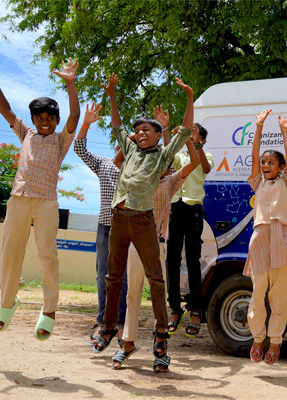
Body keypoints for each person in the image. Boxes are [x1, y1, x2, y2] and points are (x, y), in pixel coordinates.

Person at [92, 73, 193, 374]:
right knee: (113, 277)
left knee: (156, 280)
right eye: (137, 130)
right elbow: (116, 124)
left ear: (158, 135)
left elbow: (186, 130)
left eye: (146, 129)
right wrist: (112, 93)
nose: (139, 133)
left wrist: (189, 97)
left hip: (144, 222)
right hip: (118, 220)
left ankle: (161, 336)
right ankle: (109, 327)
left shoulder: (162, 157)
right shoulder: (131, 148)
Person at [0, 54, 80, 340]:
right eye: (40, 118)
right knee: (10, 252)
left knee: (47, 255)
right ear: (34, 119)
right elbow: (5, 110)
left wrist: (71, 84)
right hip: (19, 198)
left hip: (46, 202)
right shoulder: (25, 134)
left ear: (56, 120)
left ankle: (49, 309)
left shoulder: (61, 140)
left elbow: (74, 117)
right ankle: (7, 301)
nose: (45, 122)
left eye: (50, 117)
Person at [112, 123, 200, 370]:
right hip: (133, 245)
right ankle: (127, 343)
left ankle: (160, 348)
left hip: (156, 245)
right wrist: (135, 135)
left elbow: (193, 164)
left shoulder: (169, 183)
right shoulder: (135, 174)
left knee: (157, 297)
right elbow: (118, 159)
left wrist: (188, 139)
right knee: (132, 295)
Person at [244, 110, 287, 365]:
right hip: (260, 237)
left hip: (281, 238)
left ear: (281, 168)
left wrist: (284, 131)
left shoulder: (286, 183)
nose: (265, 166)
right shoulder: (259, 183)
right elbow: (254, 153)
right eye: (264, 163)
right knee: (258, 294)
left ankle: (275, 341)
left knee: (280, 296)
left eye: (270, 163)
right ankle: (258, 337)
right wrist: (259, 126)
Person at [73, 102, 128, 346]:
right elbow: (79, 148)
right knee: (102, 276)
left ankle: (122, 322)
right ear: (117, 146)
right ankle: (102, 321)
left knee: (123, 277)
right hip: (105, 227)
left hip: (128, 230)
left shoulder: (140, 170)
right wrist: (85, 123)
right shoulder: (104, 164)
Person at [165, 121, 214, 337]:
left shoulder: (206, 154)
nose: (190, 135)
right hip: (176, 207)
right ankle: (175, 309)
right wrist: (167, 130)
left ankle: (195, 309)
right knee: (172, 260)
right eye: (189, 132)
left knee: (193, 261)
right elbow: (167, 155)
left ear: (202, 139)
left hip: (193, 209)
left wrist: (192, 142)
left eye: (194, 133)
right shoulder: (181, 157)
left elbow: (204, 168)